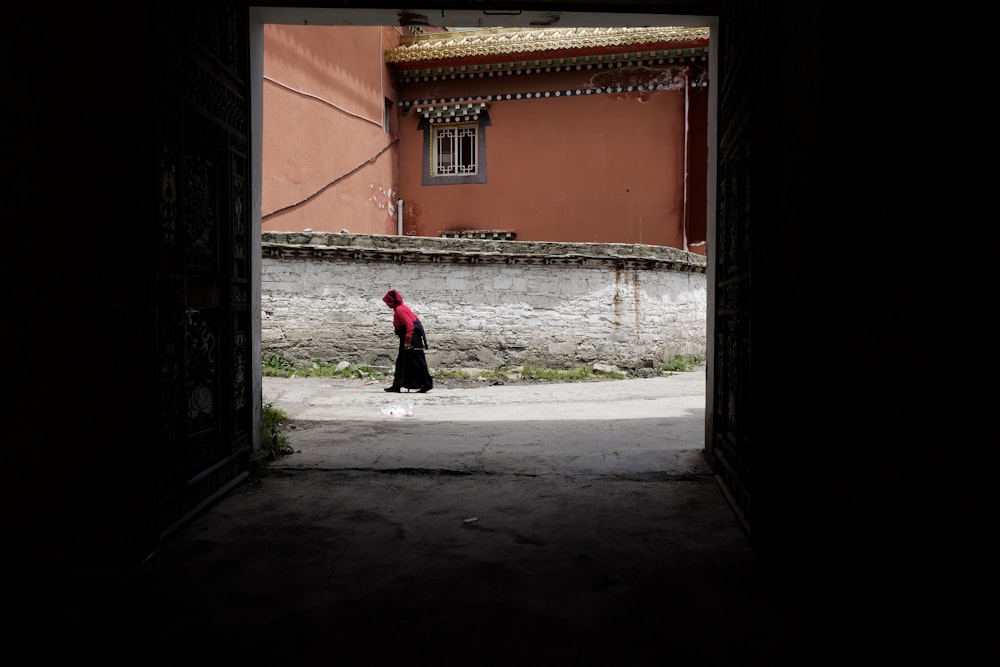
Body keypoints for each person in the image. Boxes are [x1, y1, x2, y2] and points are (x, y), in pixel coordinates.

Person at [381, 289, 433, 393]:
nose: (387, 305)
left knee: (415, 361)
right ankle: (398, 384)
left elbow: (410, 325)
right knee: (405, 361)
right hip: (409, 336)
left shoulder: (400, 309)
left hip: (411, 337)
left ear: (392, 302)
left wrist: (407, 341)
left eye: (388, 303)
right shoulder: (400, 308)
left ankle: (425, 384)